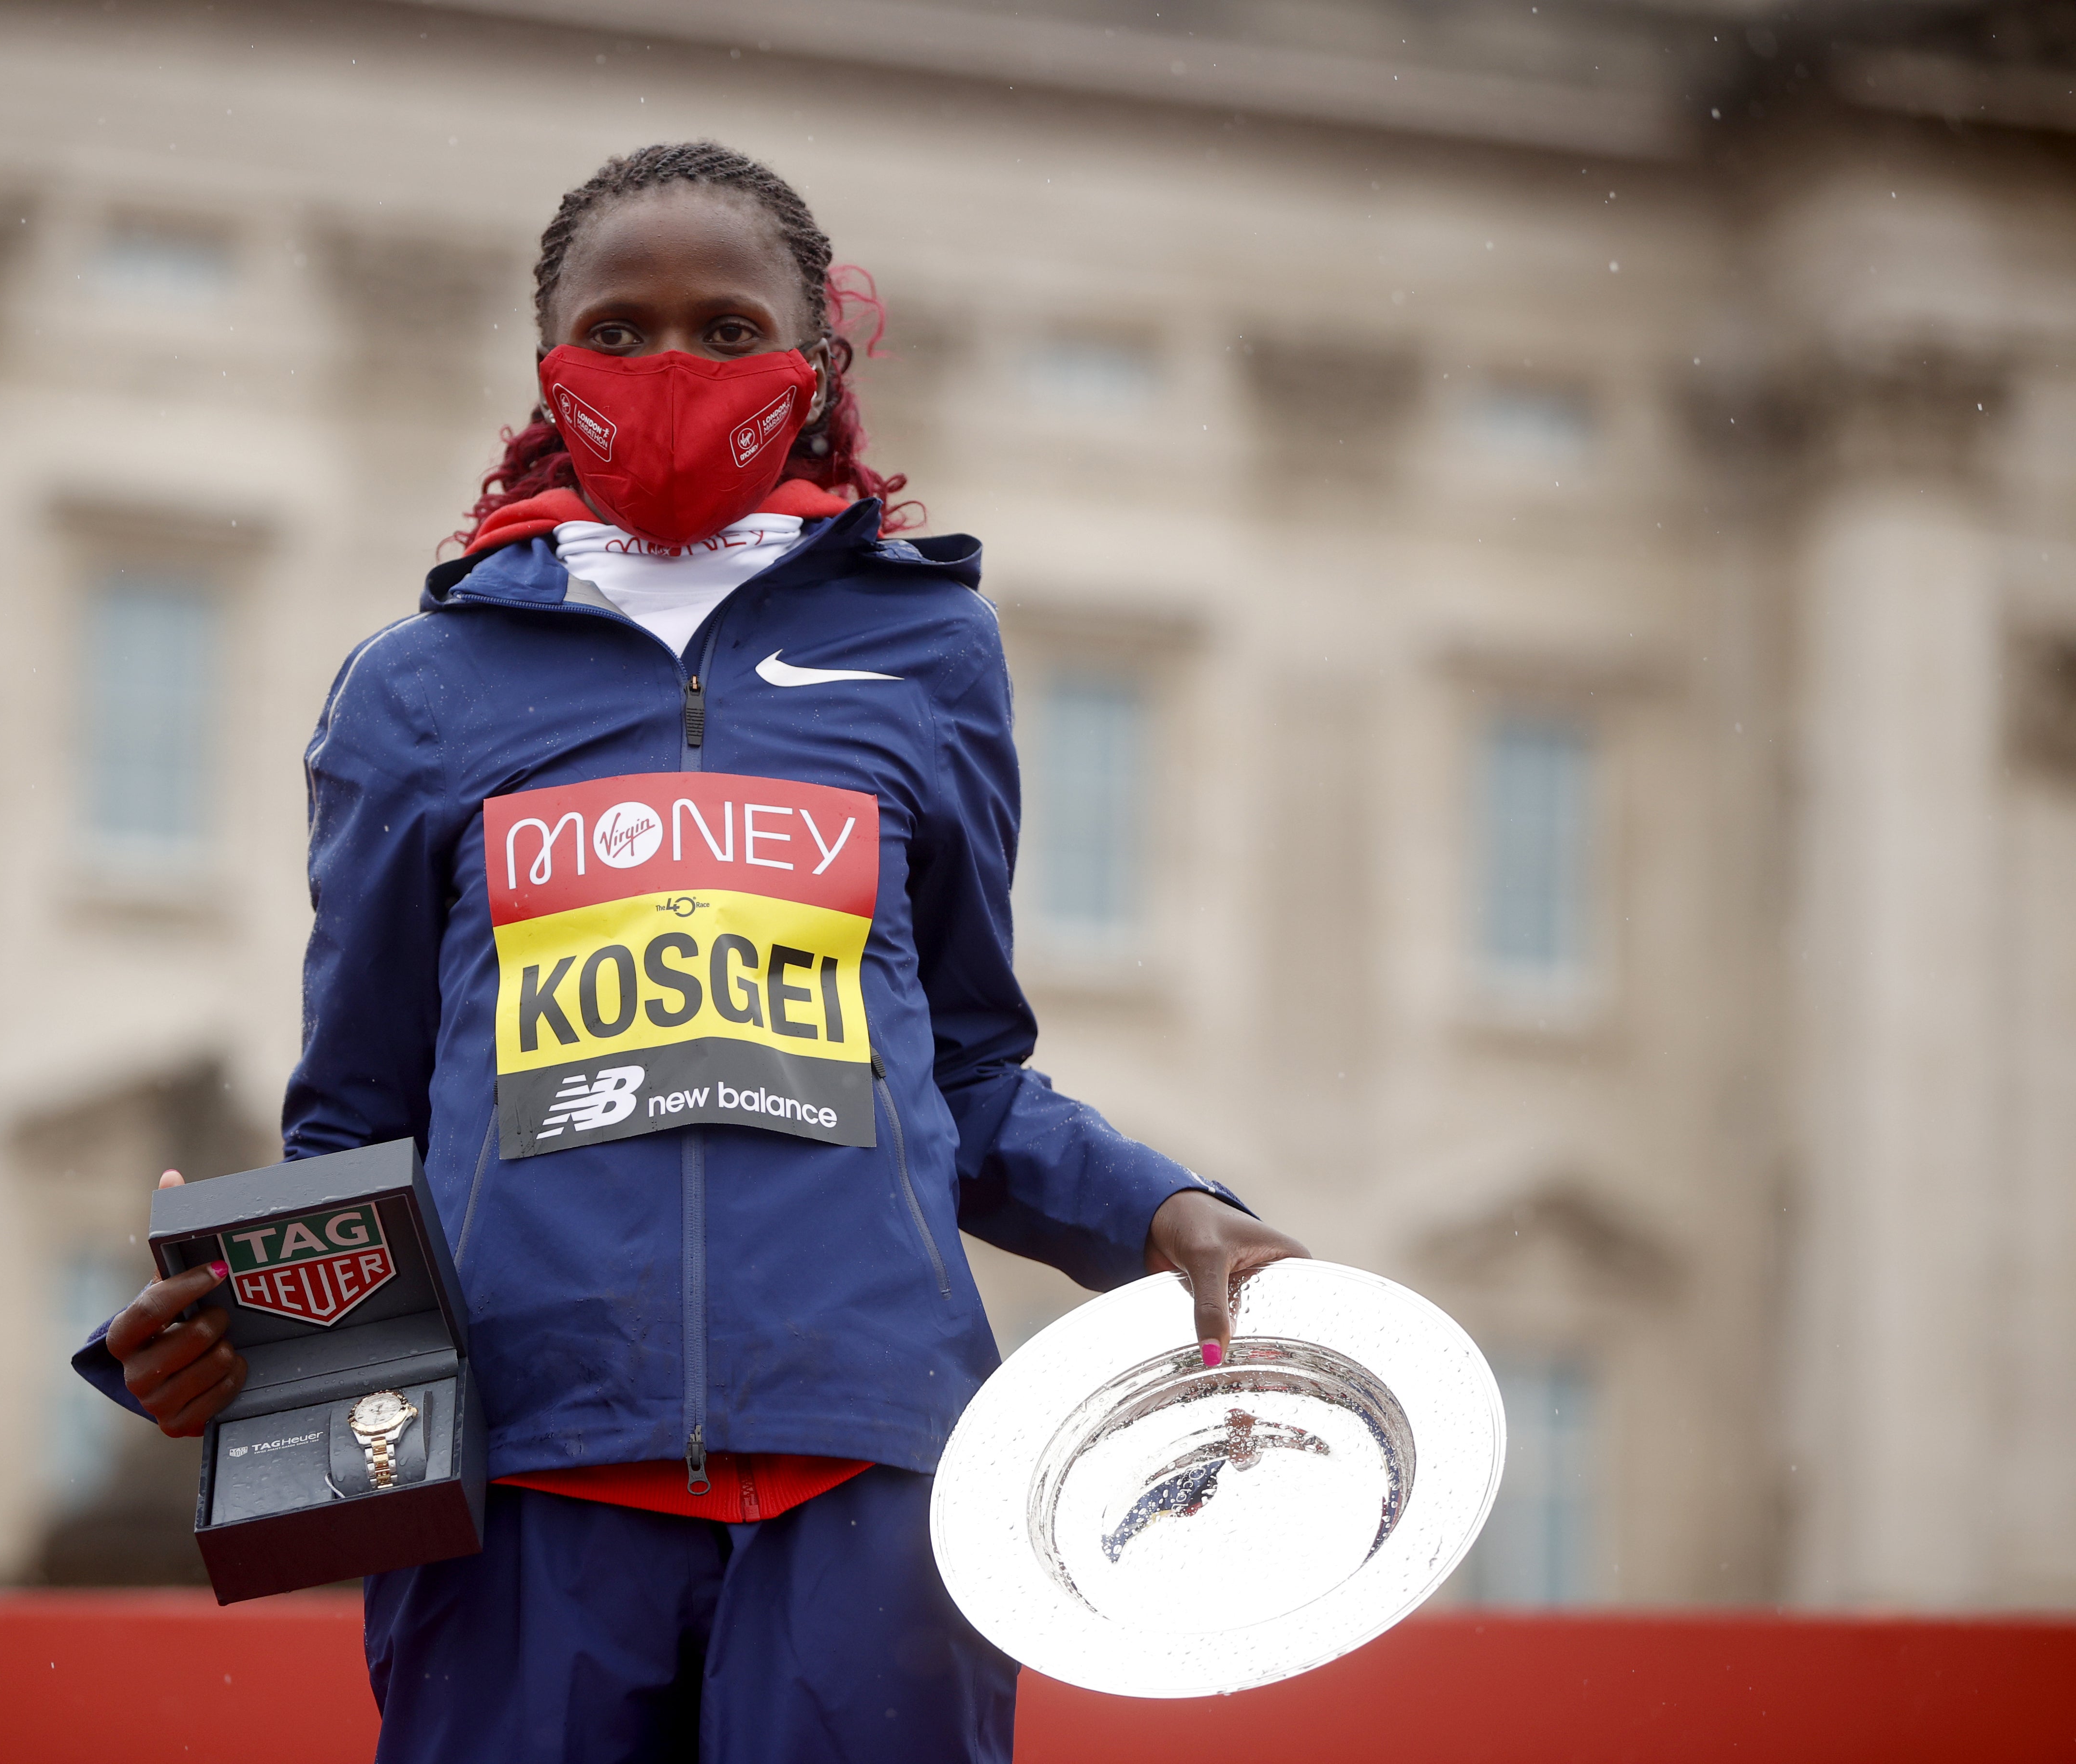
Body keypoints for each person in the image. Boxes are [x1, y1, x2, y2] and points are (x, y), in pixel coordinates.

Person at [78, 140, 1307, 1764]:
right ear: (549, 364)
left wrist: (1165, 1212)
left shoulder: (931, 653)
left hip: (873, 1473)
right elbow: (357, 1122)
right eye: (622, 330)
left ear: (816, 366)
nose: (673, 369)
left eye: (729, 330)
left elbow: (968, 1078)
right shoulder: (417, 690)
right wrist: (225, 1339)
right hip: (524, 1483)